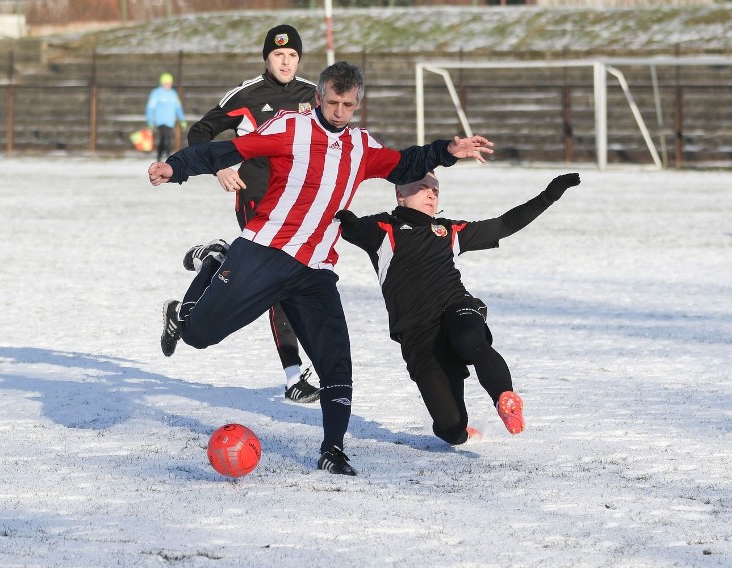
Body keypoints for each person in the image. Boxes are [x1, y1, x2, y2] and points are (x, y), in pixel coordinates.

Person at [148, 61, 494, 475]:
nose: (339, 112)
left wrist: (447, 151)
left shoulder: (362, 146)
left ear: (357, 103)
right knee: (199, 335)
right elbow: (227, 150)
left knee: (337, 363)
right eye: (333, 102)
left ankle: (333, 450)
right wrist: (177, 167)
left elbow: (404, 163)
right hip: (265, 251)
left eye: (348, 105)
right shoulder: (289, 129)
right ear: (318, 97)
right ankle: (211, 269)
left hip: (315, 269)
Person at [335, 170, 581, 446]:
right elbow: (344, 225)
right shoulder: (382, 229)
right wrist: (345, 219)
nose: (431, 194)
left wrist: (549, 195)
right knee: (450, 427)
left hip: (456, 309)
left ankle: (505, 398)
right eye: (423, 187)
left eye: (436, 190)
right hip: (417, 335)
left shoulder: (448, 231)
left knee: (469, 339)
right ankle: (460, 432)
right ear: (400, 194)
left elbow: (504, 224)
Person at [184, 24, 320, 404]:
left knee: (296, 280)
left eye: (292, 55)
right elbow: (199, 133)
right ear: (266, 57)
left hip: (299, 206)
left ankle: (216, 260)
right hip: (256, 200)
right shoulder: (246, 96)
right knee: (278, 283)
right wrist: (219, 167)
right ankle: (294, 377)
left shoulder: (313, 95)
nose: (286, 61)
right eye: (279, 55)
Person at [145, 72, 186, 162]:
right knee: (166, 138)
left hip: (170, 121)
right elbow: (150, 108)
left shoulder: (173, 94)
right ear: (162, 83)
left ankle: (162, 157)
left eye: (169, 83)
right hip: (160, 121)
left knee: (165, 139)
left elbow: (178, 107)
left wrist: (182, 119)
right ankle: (167, 158)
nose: (168, 85)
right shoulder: (156, 93)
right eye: (166, 83)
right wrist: (150, 121)